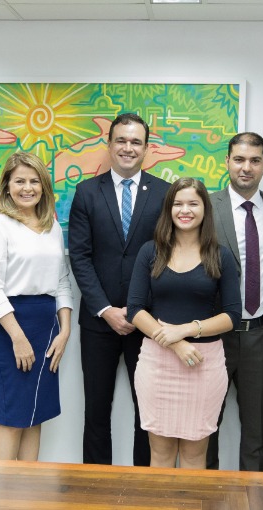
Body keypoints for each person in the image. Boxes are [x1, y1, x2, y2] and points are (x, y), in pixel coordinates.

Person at [68, 112, 168, 467]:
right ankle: (95, 484)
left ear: (146, 148)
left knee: (148, 410)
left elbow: (166, 255)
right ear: (109, 144)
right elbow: (80, 257)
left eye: (135, 142)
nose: (128, 148)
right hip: (99, 322)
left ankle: (146, 480)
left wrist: (138, 311)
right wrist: (105, 309)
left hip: (149, 323)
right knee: (96, 408)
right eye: (121, 141)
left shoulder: (164, 193)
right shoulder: (86, 193)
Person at [126, 178, 240, 469]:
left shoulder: (220, 255)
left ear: (205, 209)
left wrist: (187, 330)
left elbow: (231, 315)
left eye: (193, 203)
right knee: (160, 454)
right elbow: (135, 309)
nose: (185, 210)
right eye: (178, 204)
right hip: (157, 364)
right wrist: (175, 343)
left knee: (193, 454)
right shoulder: (150, 252)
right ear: (169, 209)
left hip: (204, 363)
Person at [204, 133, 263, 472]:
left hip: (261, 335)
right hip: (214, 335)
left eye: (255, 160)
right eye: (239, 159)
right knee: (206, 427)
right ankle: (205, 499)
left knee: (257, 431)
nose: (246, 167)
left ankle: (254, 504)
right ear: (226, 162)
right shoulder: (206, 206)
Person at [0, 152, 73, 462]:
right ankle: (1, 499)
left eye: (34, 181)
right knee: (12, 413)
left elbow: (61, 282)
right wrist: (17, 337)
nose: (27, 188)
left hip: (47, 325)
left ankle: (29, 490)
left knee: (36, 410)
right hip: (10, 325)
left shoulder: (52, 227)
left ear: (43, 186)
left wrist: (65, 330)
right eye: (19, 181)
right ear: (6, 186)